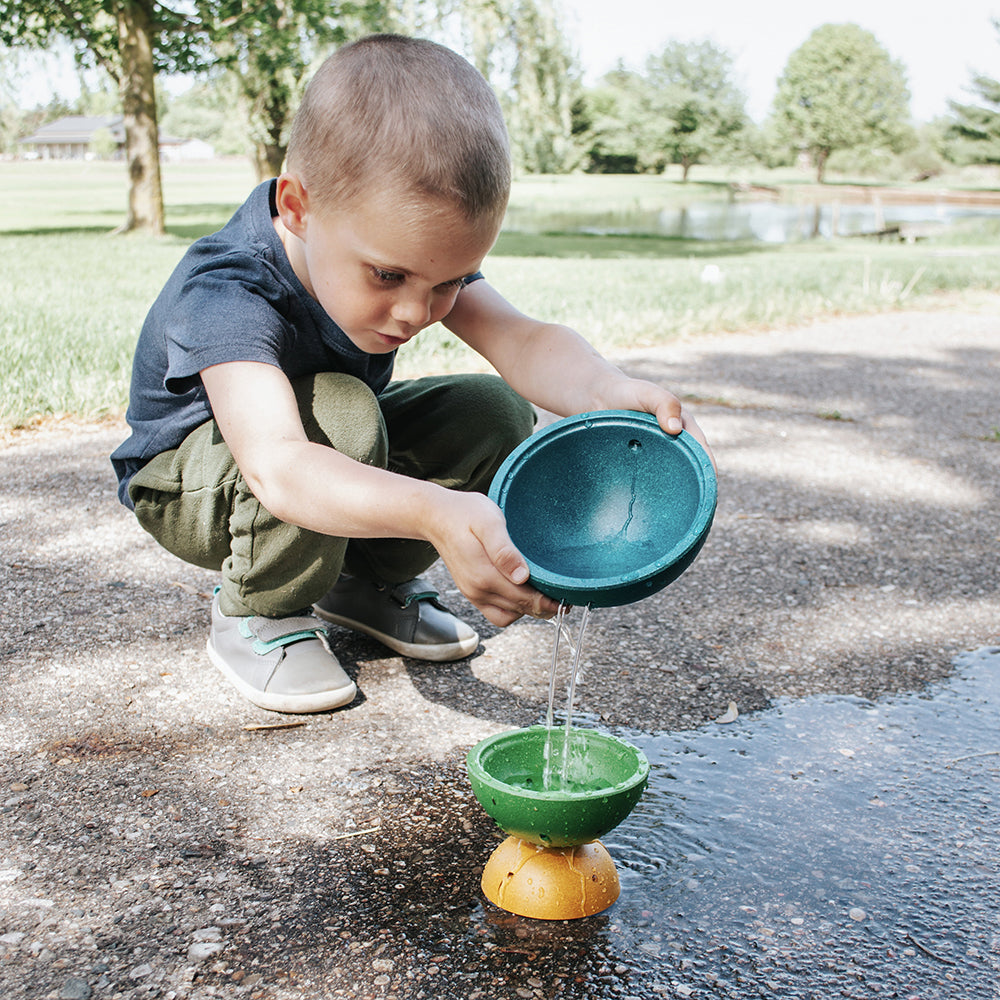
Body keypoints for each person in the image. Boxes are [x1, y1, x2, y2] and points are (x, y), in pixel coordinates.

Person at [111, 34, 710, 715]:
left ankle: (360, 583)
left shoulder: (397, 249)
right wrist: (436, 511)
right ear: (297, 207)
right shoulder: (229, 288)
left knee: (490, 410)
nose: (415, 312)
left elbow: (519, 340)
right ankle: (259, 608)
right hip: (194, 486)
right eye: (387, 276)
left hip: (321, 454)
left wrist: (608, 391)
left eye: (449, 281)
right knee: (344, 411)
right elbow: (277, 466)